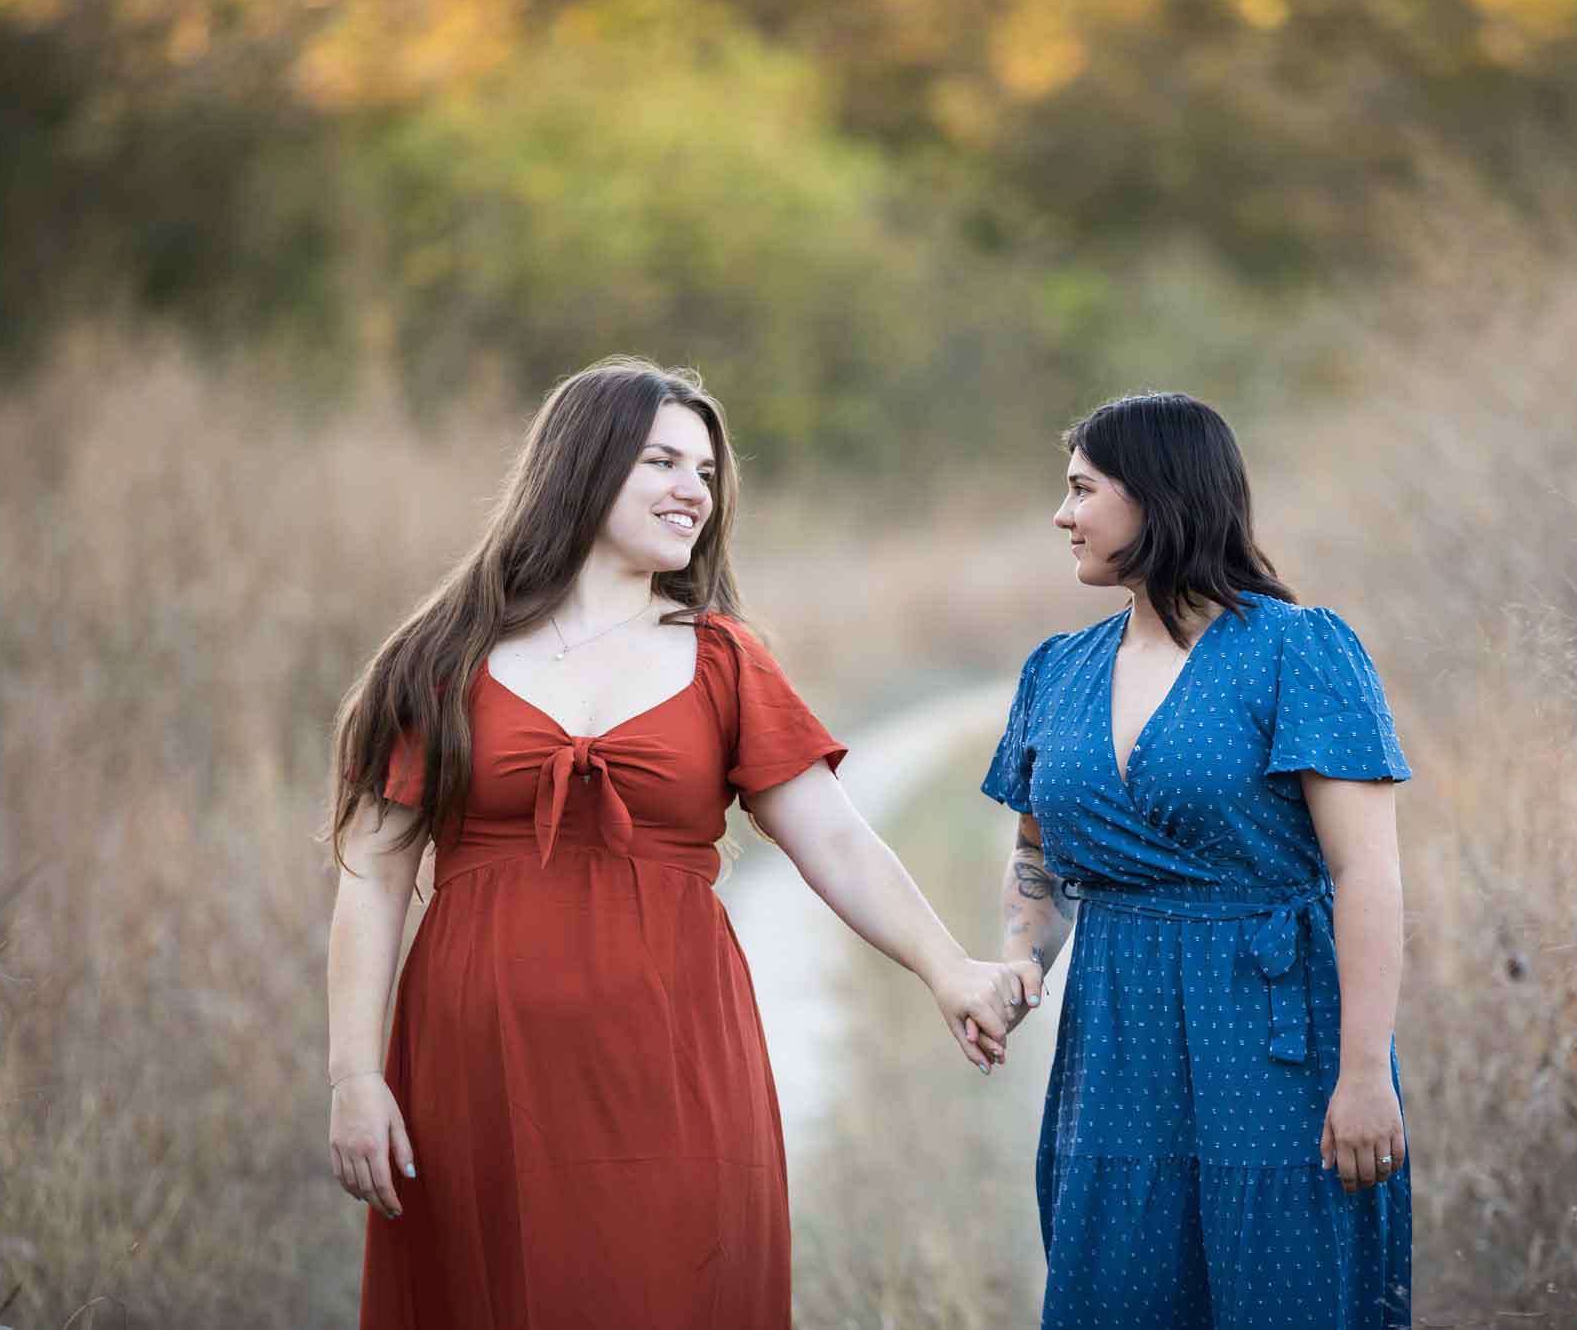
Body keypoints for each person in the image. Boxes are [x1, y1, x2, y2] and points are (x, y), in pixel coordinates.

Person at [324, 356, 1022, 1329]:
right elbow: (372, 880)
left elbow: (834, 836)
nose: (691, 490)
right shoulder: (442, 660)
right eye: (661, 462)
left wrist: (946, 968)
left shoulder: (723, 660)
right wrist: (355, 1077)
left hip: (673, 1060)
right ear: (581, 467)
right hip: (475, 1068)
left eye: (703, 472)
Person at [984, 391, 1414, 1329]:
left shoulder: (1301, 650)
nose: (1062, 515)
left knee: (1285, 1284)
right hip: (1116, 1031)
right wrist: (1022, 960)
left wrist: (1364, 1072)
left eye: (1082, 489)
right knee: (1118, 1283)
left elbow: (1366, 875)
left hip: (1271, 1031)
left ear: (1160, 497)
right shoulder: (1055, 669)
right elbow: (1039, 857)